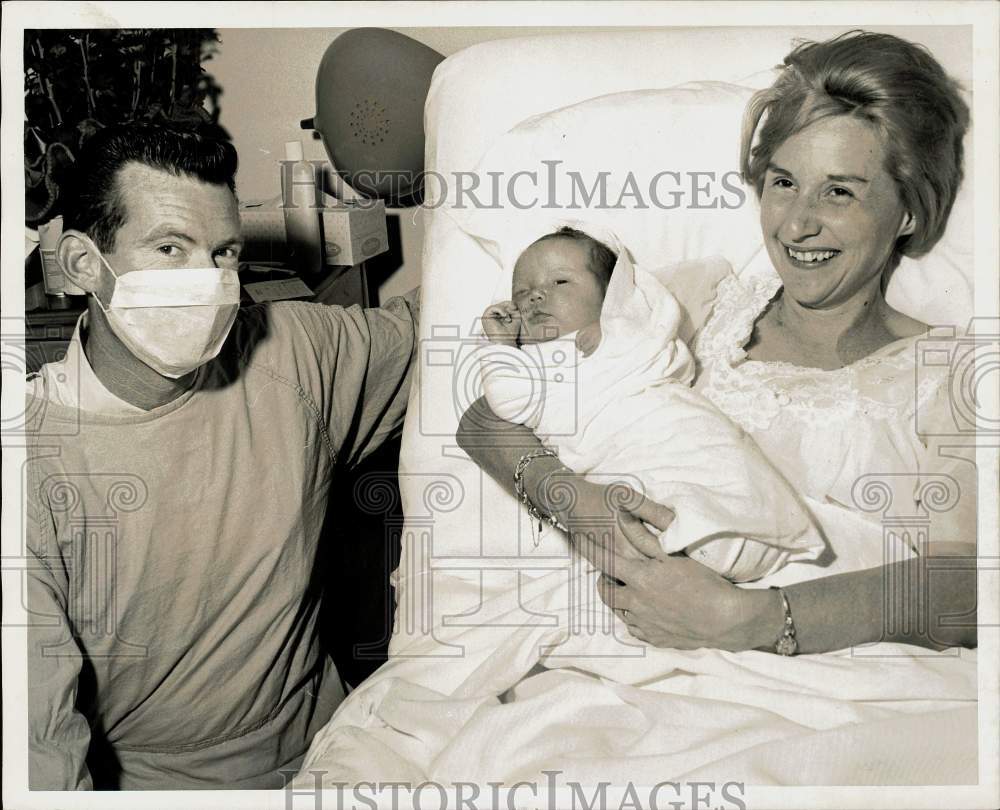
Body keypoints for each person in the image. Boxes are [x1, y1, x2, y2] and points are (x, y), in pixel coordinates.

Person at [458, 30, 978, 656]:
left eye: (839, 190)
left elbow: (971, 589)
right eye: (784, 182)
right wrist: (577, 505)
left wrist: (756, 620)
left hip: (838, 678)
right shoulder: (692, 305)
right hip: (625, 642)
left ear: (910, 211)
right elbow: (487, 420)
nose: (796, 223)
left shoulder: (952, 378)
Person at [25, 122, 419, 789]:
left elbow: (443, 331)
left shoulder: (290, 352)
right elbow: (41, 758)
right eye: (171, 247)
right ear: (86, 263)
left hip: (339, 751)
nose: (209, 284)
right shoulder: (30, 473)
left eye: (224, 253)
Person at [479, 226, 823, 582]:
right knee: (647, 504)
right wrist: (501, 347)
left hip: (669, 423)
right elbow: (508, 400)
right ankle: (703, 547)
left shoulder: (637, 334)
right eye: (522, 292)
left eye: (560, 283)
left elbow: (669, 354)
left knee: (717, 460)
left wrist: (620, 325)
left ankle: (743, 524)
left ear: (613, 292)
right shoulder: (529, 364)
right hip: (623, 462)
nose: (536, 296)